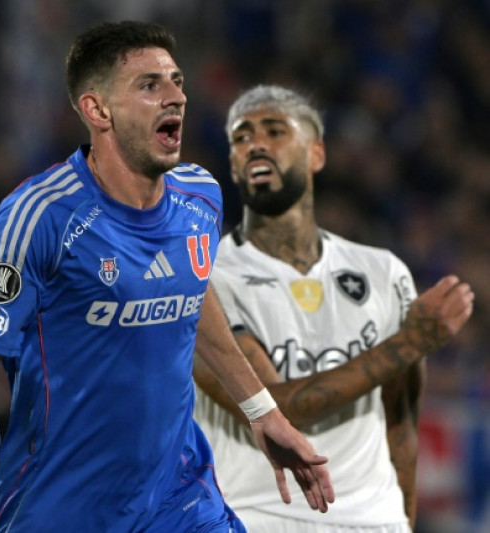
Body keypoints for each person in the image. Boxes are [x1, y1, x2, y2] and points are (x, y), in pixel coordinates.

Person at [0, 21, 334, 532]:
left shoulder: (200, 196)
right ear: (97, 110)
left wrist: (263, 411)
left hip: (178, 499)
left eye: (176, 80)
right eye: (150, 85)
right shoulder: (41, 217)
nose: (176, 95)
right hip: (60, 510)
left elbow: (190, 295)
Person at [192, 85, 474, 532]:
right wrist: (410, 342)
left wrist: (404, 522)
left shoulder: (384, 273)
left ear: (317, 154)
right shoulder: (205, 278)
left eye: (275, 130)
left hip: (374, 523)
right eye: (241, 137)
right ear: (232, 163)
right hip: (259, 520)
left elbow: (400, 430)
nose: (256, 143)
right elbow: (279, 408)